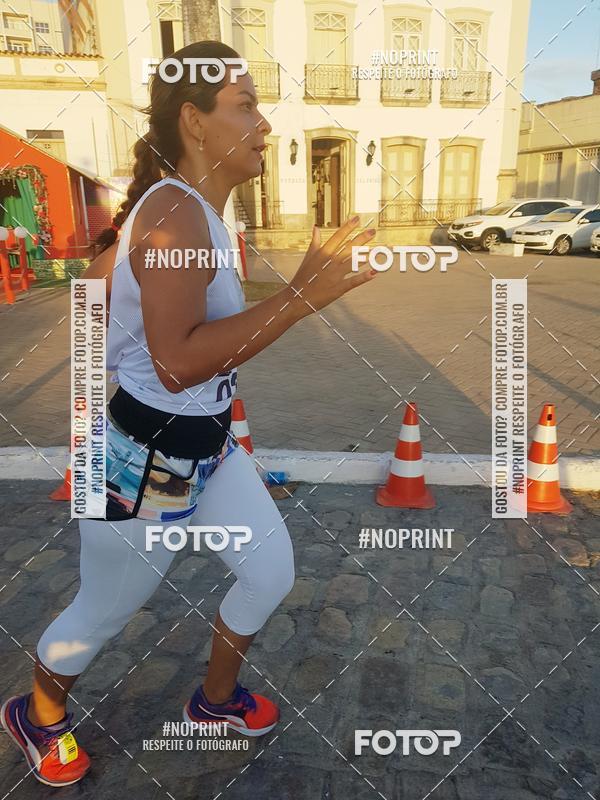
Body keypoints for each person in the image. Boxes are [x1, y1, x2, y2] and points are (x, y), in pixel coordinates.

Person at [0, 40, 377, 787]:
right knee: (104, 614)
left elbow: (98, 292)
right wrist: (303, 295)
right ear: (195, 122)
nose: (265, 123)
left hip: (206, 450)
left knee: (268, 573)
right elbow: (176, 363)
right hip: (147, 463)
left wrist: (118, 335)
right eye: (246, 105)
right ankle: (35, 712)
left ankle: (213, 702)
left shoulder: (181, 210)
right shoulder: (176, 212)